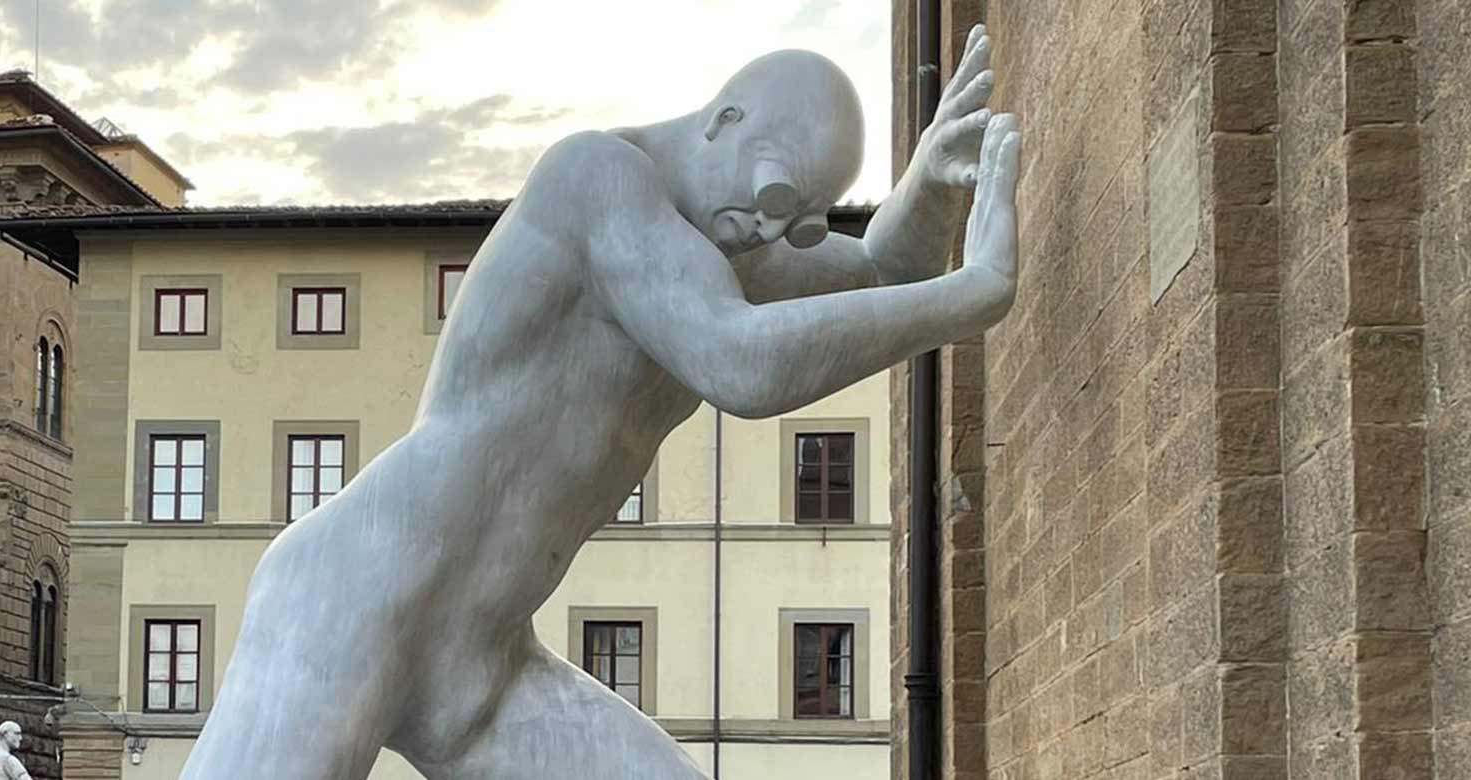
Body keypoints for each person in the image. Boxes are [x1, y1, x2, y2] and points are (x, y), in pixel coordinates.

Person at [183, 25, 1019, 780]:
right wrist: (973, 293)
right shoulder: (598, 180)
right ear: (724, 119)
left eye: (800, 223)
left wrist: (931, 190)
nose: (771, 234)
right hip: (351, 598)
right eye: (772, 196)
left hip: (483, 671)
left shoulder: (732, 250)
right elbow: (741, 365)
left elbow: (875, 278)